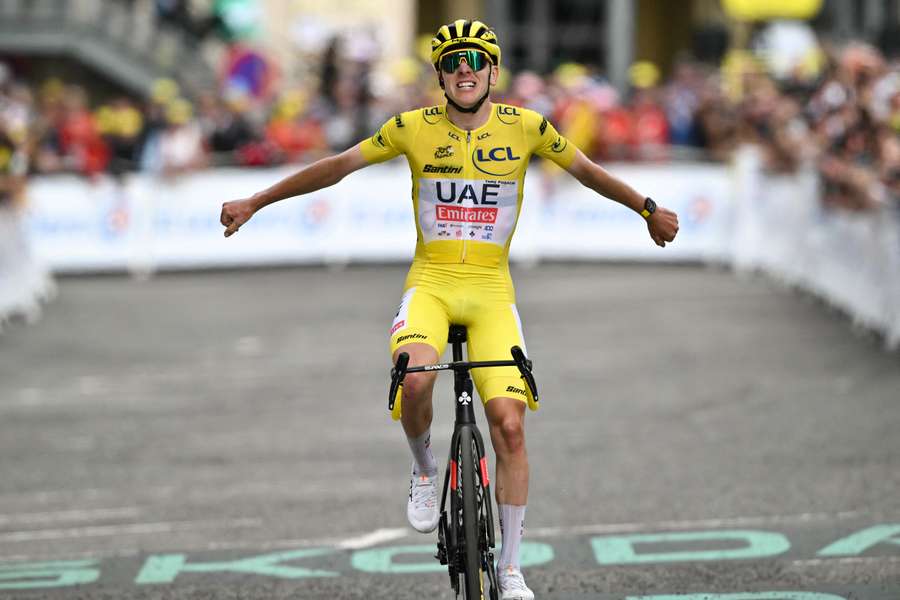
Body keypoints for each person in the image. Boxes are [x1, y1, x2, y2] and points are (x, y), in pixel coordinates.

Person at [220, 19, 679, 600]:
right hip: (432, 284)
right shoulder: (412, 127)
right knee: (414, 382)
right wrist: (257, 201)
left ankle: (511, 568)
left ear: (492, 70)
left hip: (491, 292)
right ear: (440, 74)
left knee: (509, 428)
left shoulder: (528, 127)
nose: (465, 68)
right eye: (453, 61)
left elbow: (588, 172)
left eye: (476, 59)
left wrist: (647, 208)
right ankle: (422, 468)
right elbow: (337, 166)